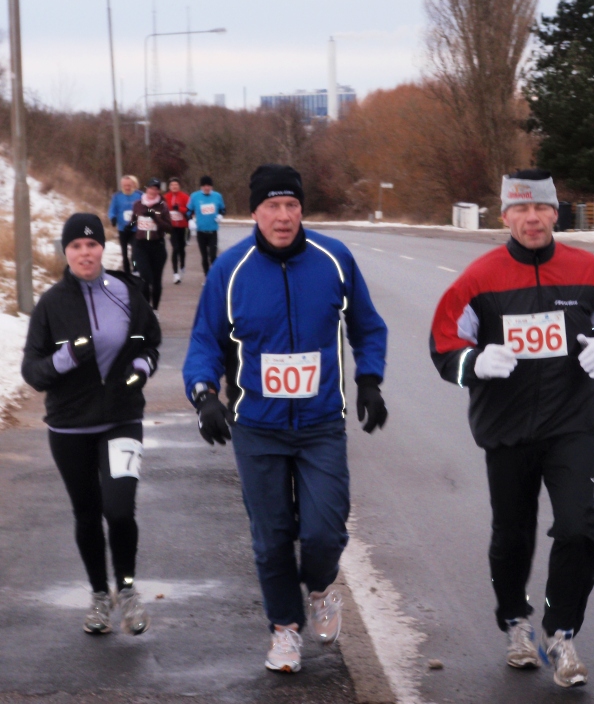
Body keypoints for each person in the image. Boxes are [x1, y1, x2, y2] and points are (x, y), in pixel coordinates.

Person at [183, 164, 388, 673]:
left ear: (302, 210)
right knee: (271, 537)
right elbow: (204, 342)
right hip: (257, 427)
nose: (282, 216)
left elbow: (368, 326)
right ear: (253, 212)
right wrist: (205, 394)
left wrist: (370, 380)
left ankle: (319, 588)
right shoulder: (230, 271)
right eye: (271, 206)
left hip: (321, 424)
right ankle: (285, 630)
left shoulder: (333, 260)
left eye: (291, 205)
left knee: (324, 530)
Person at [429, 169, 594, 688]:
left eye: (541, 209)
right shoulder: (478, 277)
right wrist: (473, 363)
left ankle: (561, 632)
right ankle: (515, 620)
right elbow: (444, 343)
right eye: (520, 209)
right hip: (506, 427)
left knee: (580, 529)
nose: (532, 218)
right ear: (505, 215)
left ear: (555, 213)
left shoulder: (585, 268)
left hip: (571, 422)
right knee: (512, 535)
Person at [21, 212, 161, 636]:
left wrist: (141, 366)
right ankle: (100, 596)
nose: (85, 253)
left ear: (103, 248)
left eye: (92, 245)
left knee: (119, 509)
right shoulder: (51, 305)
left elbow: (148, 341)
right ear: (66, 252)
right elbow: (32, 370)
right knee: (86, 513)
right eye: (76, 246)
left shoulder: (125, 292)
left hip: (121, 418)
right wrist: (66, 358)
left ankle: (129, 590)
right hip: (69, 427)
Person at [129, 178, 172, 316]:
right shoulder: (138, 204)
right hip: (141, 245)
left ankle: (155, 309)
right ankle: (146, 309)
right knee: (145, 278)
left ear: (158, 191)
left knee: (156, 280)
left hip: (157, 246)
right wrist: (128, 226)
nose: (152, 191)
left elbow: (168, 228)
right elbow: (133, 222)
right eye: (150, 188)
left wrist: (155, 218)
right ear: (146, 189)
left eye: (155, 189)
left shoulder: (162, 206)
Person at [187, 175, 226, 276]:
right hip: (201, 231)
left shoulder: (217, 196)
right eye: (204, 186)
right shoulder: (195, 196)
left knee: (213, 255)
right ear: (201, 187)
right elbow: (188, 211)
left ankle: (215, 275)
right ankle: (207, 276)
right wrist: (190, 220)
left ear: (212, 186)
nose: (207, 188)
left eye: (209, 185)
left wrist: (220, 216)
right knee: (204, 256)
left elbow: (223, 209)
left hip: (213, 231)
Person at [108, 175, 142, 274]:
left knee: (135, 252)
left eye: (129, 185)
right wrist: (113, 218)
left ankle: (135, 269)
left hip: (135, 229)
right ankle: (127, 272)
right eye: (125, 185)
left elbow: (144, 209)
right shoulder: (117, 196)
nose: (127, 187)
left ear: (134, 185)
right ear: (121, 185)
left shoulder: (139, 195)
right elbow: (111, 210)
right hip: (122, 229)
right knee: (124, 253)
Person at [164, 177, 190, 284]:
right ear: (169, 187)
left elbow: (189, 211)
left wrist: (180, 209)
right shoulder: (165, 197)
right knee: (175, 248)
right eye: (172, 185)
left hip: (183, 227)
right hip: (171, 227)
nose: (174, 187)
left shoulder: (185, 197)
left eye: (176, 185)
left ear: (179, 186)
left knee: (181, 248)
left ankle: (182, 265)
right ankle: (175, 274)